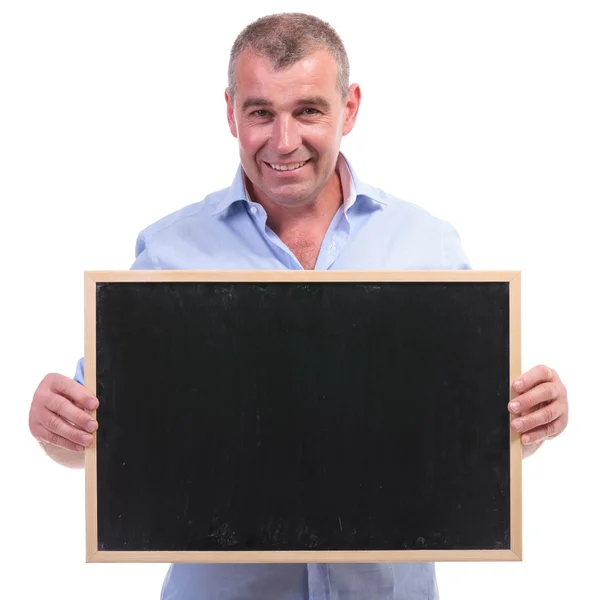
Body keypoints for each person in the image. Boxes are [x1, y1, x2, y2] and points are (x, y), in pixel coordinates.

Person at [28, 12, 569, 600]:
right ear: (230, 112)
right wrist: (56, 426)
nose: (283, 142)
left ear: (351, 108)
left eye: (308, 110)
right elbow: (98, 442)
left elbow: (469, 438)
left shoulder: (428, 245)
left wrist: (531, 423)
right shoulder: (168, 251)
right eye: (261, 112)